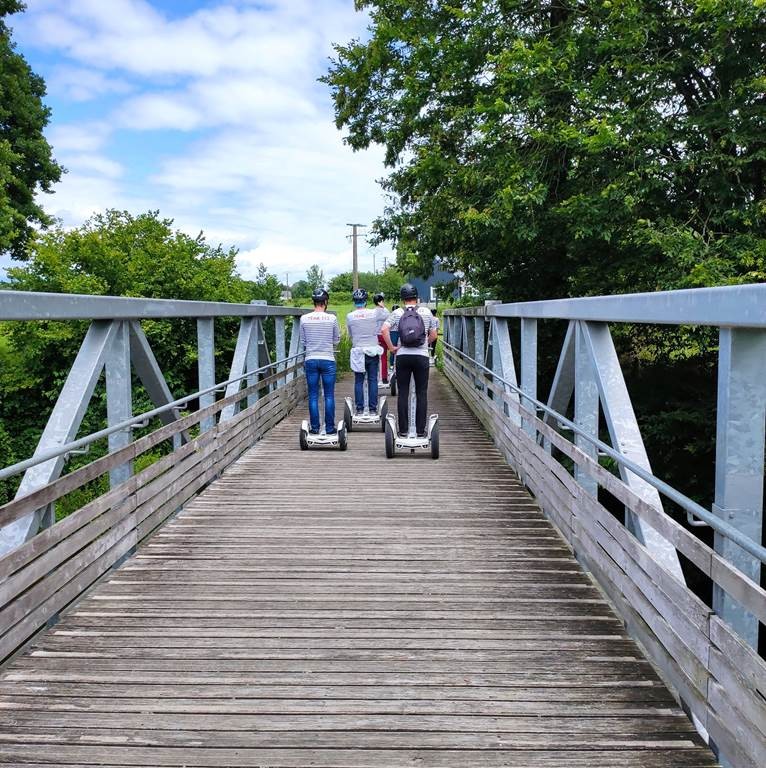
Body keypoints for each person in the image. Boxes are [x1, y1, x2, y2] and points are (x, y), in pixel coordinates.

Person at [381, 284, 438, 437]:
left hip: (403, 356)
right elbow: (434, 335)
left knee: (403, 392)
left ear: (403, 298)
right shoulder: (426, 312)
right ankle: (420, 431)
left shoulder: (397, 313)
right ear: (416, 297)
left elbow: (384, 329)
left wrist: (392, 347)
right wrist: (425, 342)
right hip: (421, 356)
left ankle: (404, 430)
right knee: (421, 393)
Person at [299, 288, 340, 434]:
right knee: (329, 395)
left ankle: (315, 428)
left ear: (313, 302)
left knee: (313, 395)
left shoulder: (304, 319)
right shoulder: (332, 319)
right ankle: (329, 428)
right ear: (325, 302)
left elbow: (303, 341)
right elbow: (336, 340)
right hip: (328, 359)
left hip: (311, 359)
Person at [346, 288, 385, 414]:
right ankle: (373, 409)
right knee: (372, 379)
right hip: (372, 350)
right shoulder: (374, 313)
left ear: (354, 302)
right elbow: (387, 315)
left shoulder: (350, 316)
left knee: (359, 381)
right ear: (365, 301)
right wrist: (381, 305)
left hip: (358, 351)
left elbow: (350, 334)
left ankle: (359, 409)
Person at [373, 292, 390, 383]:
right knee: (384, 357)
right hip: (384, 335)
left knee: (374, 357)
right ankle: (384, 378)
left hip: (375, 336)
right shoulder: (386, 311)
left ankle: (375, 377)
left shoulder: (372, 312)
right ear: (381, 301)